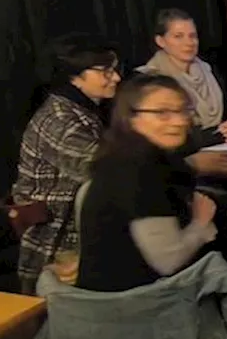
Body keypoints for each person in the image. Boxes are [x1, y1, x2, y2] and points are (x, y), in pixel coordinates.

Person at [76, 76, 218, 292]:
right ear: (131, 118)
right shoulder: (140, 171)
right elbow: (168, 261)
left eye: (183, 111)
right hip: (136, 307)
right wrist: (201, 223)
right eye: (162, 113)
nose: (179, 121)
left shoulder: (122, 156)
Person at [11, 34, 121, 293]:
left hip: (83, 225)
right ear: (74, 75)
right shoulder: (59, 119)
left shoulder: (84, 109)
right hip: (57, 242)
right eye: (106, 71)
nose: (115, 77)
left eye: (115, 70)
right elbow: (109, 167)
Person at [137, 8, 227, 151]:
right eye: (178, 36)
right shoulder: (150, 79)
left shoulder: (209, 70)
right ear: (161, 41)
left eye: (193, 36)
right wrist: (212, 136)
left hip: (220, 150)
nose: (189, 42)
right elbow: (159, 138)